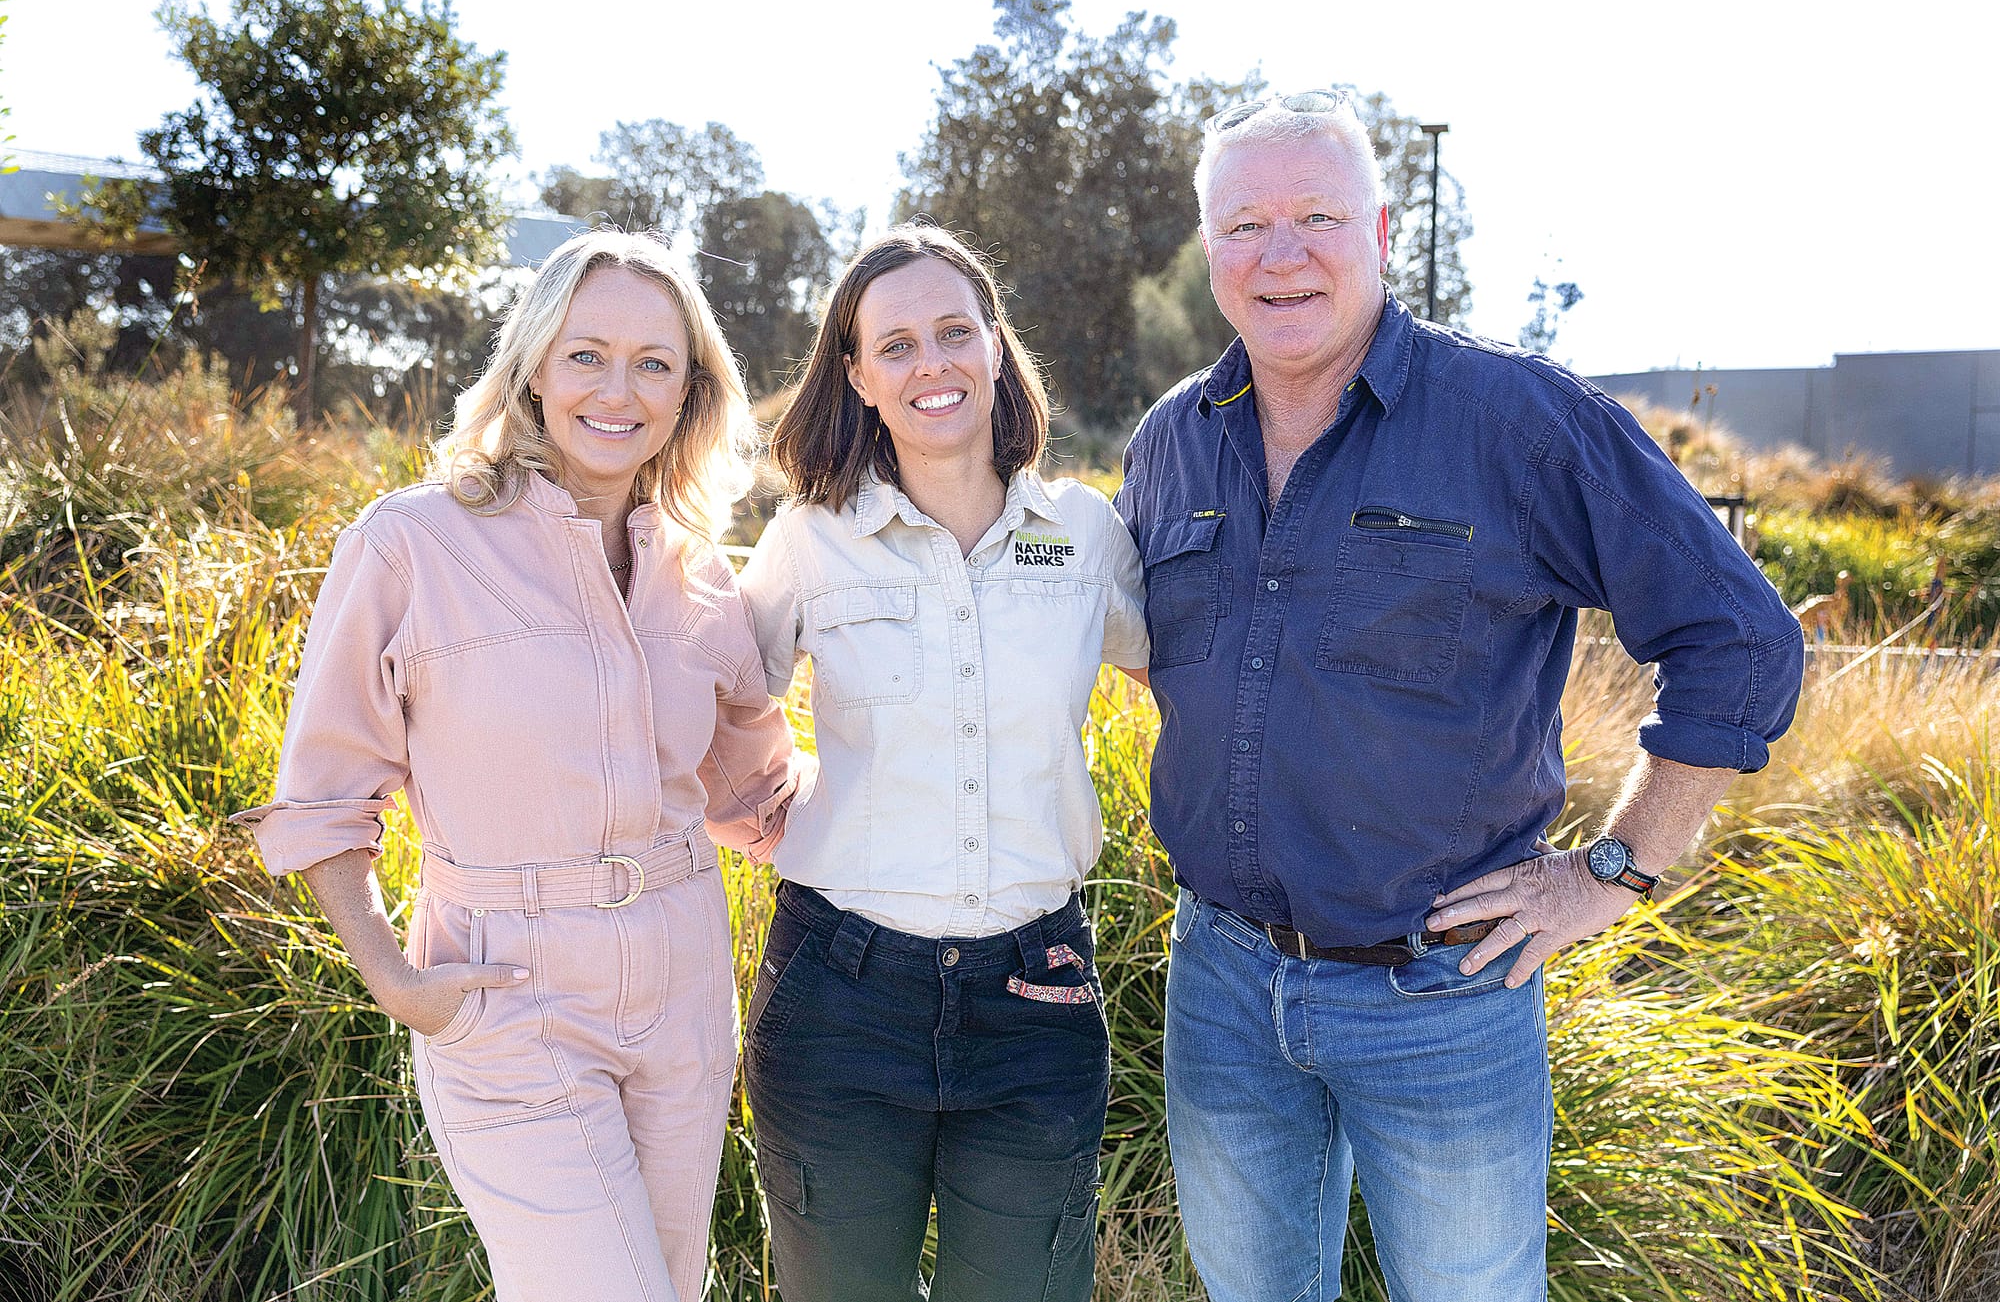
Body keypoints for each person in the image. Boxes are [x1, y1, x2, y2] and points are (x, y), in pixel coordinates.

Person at [1114, 91, 1805, 1302]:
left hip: (1441, 992)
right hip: (1219, 980)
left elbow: (1739, 637)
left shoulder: (1515, 420)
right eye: (1243, 226)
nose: (1280, 254)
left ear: (1379, 229)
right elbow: (1155, 650)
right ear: (1208, 249)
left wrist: (1614, 869)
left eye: (1316, 216)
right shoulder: (1171, 440)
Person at [233, 229, 808, 1302]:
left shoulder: (700, 573)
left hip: (683, 990)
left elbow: (754, 796)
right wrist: (394, 979)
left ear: (690, 393)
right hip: (506, 996)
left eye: (653, 363)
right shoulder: (412, 543)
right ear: (534, 366)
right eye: (586, 355)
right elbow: (322, 796)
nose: (617, 391)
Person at [737, 224, 1149, 1302]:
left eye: (955, 332)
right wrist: (750, 799)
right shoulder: (809, 540)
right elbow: (722, 695)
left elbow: (1189, 683)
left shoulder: (1082, 533)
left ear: (997, 345)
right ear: (859, 376)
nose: (933, 363)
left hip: (1036, 998)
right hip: (840, 1000)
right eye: (898, 344)